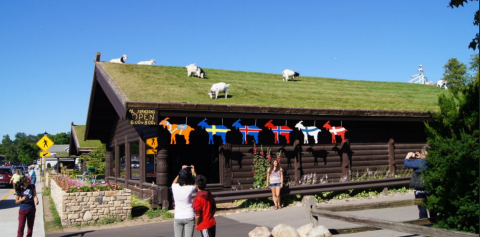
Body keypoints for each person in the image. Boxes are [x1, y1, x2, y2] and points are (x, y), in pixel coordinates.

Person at [404, 146, 436, 219]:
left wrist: (407, 156)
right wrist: (421, 157)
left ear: (424, 153)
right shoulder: (432, 161)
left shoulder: (419, 162)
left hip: (420, 189)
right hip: (430, 188)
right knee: (432, 207)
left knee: (422, 208)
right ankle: (434, 222)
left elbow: (406, 163)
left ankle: (424, 224)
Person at [172, 165, 197, 237]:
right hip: (189, 216)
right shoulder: (190, 188)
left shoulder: (174, 187)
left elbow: (174, 181)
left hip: (178, 216)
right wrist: (194, 173)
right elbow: (198, 184)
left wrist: (181, 171)